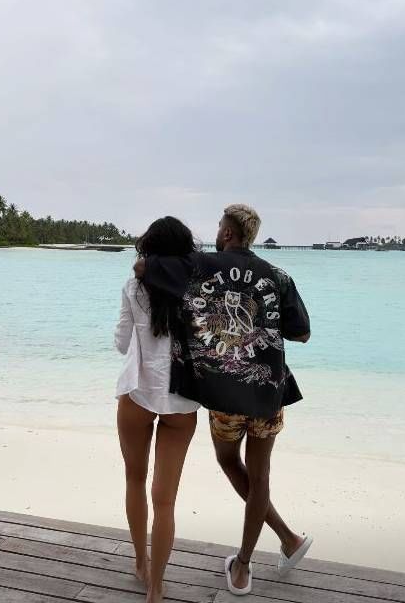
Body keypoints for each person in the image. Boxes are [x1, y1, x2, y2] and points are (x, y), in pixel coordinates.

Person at [134, 204, 313, 597]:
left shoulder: (200, 266)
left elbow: (143, 268)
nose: (216, 233)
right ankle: (248, 563)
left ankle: (286, 539)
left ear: (228, 233)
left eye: (219, 226)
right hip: (269, 391)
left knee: (229, 461)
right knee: (260, 476)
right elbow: (302, 333)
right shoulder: (278, 276)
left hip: (225, 394)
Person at [114, 216, 201, 603]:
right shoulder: (197, 289)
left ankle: (140, 563)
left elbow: (122, 343)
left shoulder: (134, 286)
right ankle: (157, 587)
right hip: (180, 401)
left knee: (135, 480)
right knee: (165, 500)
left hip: (137, 392)